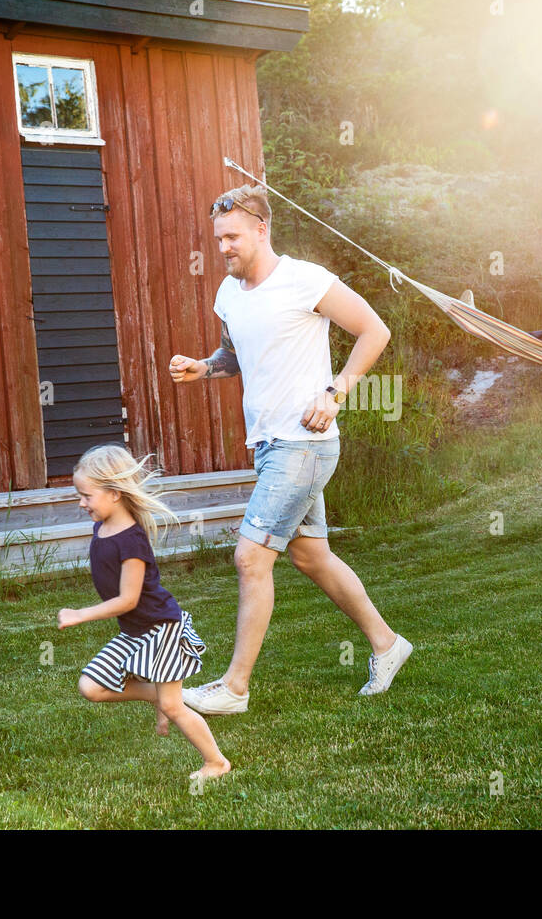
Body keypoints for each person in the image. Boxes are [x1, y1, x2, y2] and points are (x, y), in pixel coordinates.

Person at [167, 184, 412, 716]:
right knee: (311, 555)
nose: (224, 247)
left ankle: (234, 688)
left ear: (262, 228)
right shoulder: (229, 294)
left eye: (232, 236)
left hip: (304, 443)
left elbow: (374, 329)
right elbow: (235, 354)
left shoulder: (305, 280)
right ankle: (389, 645)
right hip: (270, 442)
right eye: (218, 239)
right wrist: (204, 367)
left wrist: (336, 391)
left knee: (251, 556)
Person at [58, 442, 231, 783]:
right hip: (136, 631)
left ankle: (216, 763)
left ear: (115, 493)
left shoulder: (133, 541)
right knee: (91, 687)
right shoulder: (103, 527)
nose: (81, 503)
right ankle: (160, 693)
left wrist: (81, 614)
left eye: (86, 496)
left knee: (173, 707)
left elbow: (127, 600)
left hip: (160, 627)